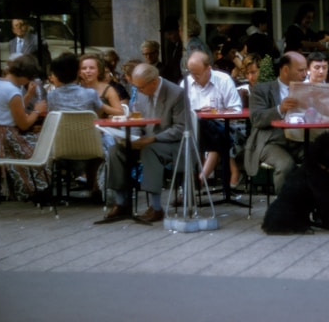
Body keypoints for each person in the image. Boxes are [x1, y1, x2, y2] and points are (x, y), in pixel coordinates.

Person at [104, 63, 185, 223]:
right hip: (145, 139)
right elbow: (137, 119)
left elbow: (180, 128)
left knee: (150, 149)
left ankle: (156, 207)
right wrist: (132, 139)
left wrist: (153, 138)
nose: (138, 91)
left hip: (172, 143)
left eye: (140, 87)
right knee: (116, 150)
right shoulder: (141, 92)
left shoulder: (176, 94)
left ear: (153, 83)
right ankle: (121, 202)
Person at [0, 54, 48, 201]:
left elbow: (11, 109)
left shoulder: (0, 84)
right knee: (46, 147)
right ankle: (37, 187)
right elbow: (24, 123)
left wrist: (28, 95)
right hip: (9, 138)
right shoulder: (12, 91)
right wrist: (37, 110)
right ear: (25, 76)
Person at [244, 51, 307, 192]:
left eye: (305, 70)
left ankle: (315, 208)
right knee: (285, 165)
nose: (305, 74)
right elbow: (256, 119)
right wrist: (280, 109)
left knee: (321, 161)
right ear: (285, 70)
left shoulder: (308, 89)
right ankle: (284, 210)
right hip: (271, 142)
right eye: (301, 70)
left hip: (301, 141)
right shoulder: (262, 90)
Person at [47, 53, 105, 203]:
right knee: (102, 142)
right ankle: (95, 186)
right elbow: (96, 115)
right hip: (90, 147)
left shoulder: (51, 96)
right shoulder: (91, 93)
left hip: (62, 147)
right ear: (78, 72)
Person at [184, 51, 243, 188]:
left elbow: (236, 109)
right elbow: (182, 111)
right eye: (191, 73)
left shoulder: (223, 80)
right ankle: (206, 177)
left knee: (214, 134)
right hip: (196, 129)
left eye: (197, 73)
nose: (194, 77)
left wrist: (214, 112)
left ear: (208, 69)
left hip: (226, 125)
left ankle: (198, 181)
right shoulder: (186, 83)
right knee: (212, 133)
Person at [161, 16, 184, 85]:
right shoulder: (170, 47)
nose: (169, 37)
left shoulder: (184, 46)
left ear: (178, 31)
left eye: (171, 34)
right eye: (167, 35)